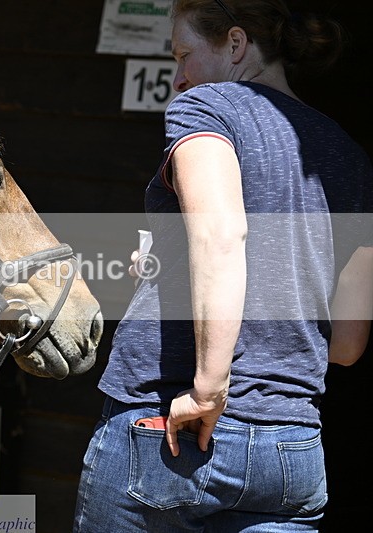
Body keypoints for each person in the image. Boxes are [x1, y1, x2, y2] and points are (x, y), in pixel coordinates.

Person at [73, 1, 373, 531]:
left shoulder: (210, 109)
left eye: (185, 54)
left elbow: (220, 235)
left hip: (175, 427)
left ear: (235, 45)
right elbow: (347, 343)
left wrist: (209, 388)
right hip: (291, 444)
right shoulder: (347, 154)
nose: (180, 76)